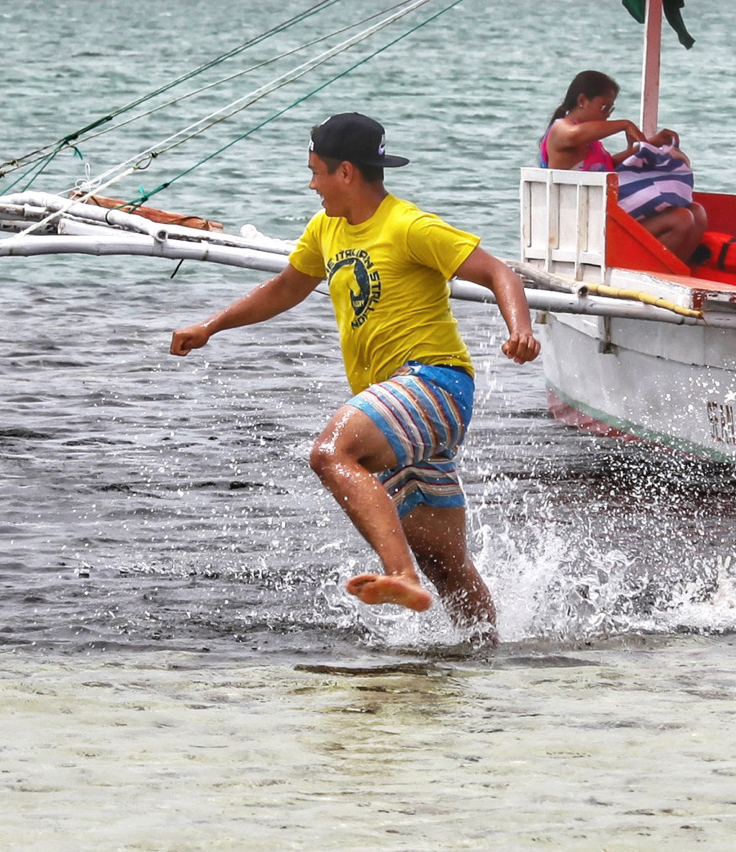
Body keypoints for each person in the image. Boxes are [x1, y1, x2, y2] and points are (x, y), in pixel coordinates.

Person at [169, 112, 540, 634]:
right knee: (446, 564)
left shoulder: (408, 225)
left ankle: (398, 573)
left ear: (345, 173)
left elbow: (498, 271)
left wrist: (519, 329)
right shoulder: (326, 229)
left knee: (331, 452)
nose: (312, 184)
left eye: (316, 171)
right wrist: (211, 327)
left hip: (434, 382)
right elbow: (284, 289)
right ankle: (482, 657)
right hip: (400, 404)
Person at [540, 70, 708, 260]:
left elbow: (609, 165)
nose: (606, 116)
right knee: (681, 220)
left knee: (697, 213)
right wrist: (624, 125)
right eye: (604, 108)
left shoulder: (590, 141)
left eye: (611, 110)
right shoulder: (561, 129)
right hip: (586, 227)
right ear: (582, 100)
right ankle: (653, 274)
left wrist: (649, 145)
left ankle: (675, 271)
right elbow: (573, 134)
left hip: (607, 216)